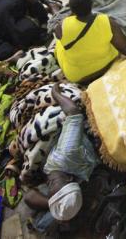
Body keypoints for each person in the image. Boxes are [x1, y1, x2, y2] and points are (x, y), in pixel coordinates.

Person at [23, 85, 101, 233]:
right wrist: (55, 93)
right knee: (51, 222)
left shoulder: (62, 179)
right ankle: (63, 221)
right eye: (53, 187)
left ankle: (61, 221)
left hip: (74, 162)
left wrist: (52, 204)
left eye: (51, 190)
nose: (50, 184)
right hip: (66, 141)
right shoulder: (65, 154)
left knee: (49, 222)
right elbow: (73, 113)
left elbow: (29, 197)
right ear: (70, 179)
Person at [54, 0, 126, 84]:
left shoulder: (62, 26)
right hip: (108, 65)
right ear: (92, 4)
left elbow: (58, 34)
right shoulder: (106, 21)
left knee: (59, 44)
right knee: (109, 38)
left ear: (71, 10)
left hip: (79, 77)